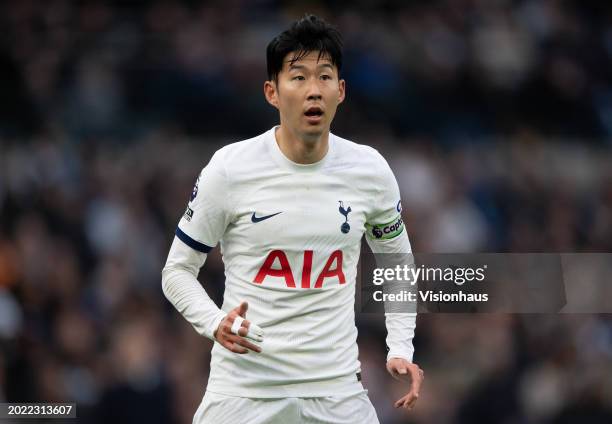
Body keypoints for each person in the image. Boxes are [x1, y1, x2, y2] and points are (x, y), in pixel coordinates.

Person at [162, 14, 423, 423]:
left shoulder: (369, 171)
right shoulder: (230, 169)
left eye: (324, 76)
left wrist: (400, 348)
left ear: (341, 91)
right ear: (272, 92)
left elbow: (398, 265)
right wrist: (215, 323)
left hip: (336, 393)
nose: (312, 90)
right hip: (244, 393)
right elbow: (176, 270)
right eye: (298, 77)